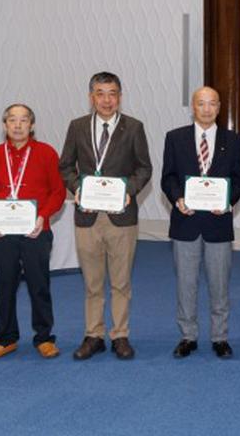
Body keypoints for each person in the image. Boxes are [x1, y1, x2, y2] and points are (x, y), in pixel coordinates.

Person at [59, 72, 152, 361]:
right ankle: (94, 334)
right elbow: (66, 167)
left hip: (121, 216)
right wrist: (78, 189)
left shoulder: (134, 127)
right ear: (91, 97)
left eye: (112, 93)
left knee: (121, 281)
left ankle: (120, 335)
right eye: (100, 93)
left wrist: (129, 190)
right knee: (92, 282)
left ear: (120, 97)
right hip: (87, 216)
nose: (107, 100)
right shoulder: (77, 127)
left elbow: (144, 168)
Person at [0, 104, 66, 360]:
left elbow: (58, 192)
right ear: (4, 125)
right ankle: (5, 338)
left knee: (39, 285)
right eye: (12, 120)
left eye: (23, 120)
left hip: (36, 230)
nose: (17, 125)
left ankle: (44, 337)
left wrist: (42, 216)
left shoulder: (47, 153)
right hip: (3, 233)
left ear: (32, 125)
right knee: (5, 286)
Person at [161, 86, 240, 359]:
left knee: (219, 284)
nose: (206, 109)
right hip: (185, 223)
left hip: (218, 225)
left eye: (212, 104)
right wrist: (177, 198)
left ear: (219, 108)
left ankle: (220, 337)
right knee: (186, 283)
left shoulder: (233, 140)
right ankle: (188, 336)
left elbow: (238, 180)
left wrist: (228, 202)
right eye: (201, 104)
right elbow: (168, 177)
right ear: (193, 108)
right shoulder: (175, 138)